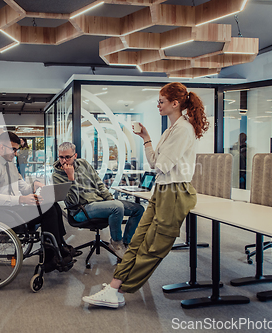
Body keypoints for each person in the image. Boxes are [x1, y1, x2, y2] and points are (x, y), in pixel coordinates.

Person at [82, 82, 209, 308]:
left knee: (153, 247)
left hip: (175, 192)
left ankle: (119, 288)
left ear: (175, 103)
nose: (158, 105)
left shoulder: (183, 129)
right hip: (162, 189)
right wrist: (146, 138)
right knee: (138, 241)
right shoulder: (171, 129)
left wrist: (156, 157)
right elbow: (154, 163)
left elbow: (161, 165)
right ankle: (114, 287)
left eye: (161, 101)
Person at [0, 131, 80, 269]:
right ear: (2, 147)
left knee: (53, 204)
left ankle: (59, 245)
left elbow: (22, 186)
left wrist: (34, 186)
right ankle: (51, 257)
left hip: (16, 207)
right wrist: (21, 199)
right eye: (13, 149)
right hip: (5, 212)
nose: (15, 153)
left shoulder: (10, 164)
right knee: (49, 211)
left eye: (17, 149)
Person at [52, 142, 145, 259]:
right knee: (116, 207)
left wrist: (109, 198)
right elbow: (73, 202)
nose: (64, 161)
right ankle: (116, 242)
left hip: (99, 202)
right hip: (81, 210)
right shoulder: (57, 176)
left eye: (68, 157)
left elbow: (98, 183)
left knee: (138, 209)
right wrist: (71, 178)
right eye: (61, 157)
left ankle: (126, 244)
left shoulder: (83, 164)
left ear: (75, 156)